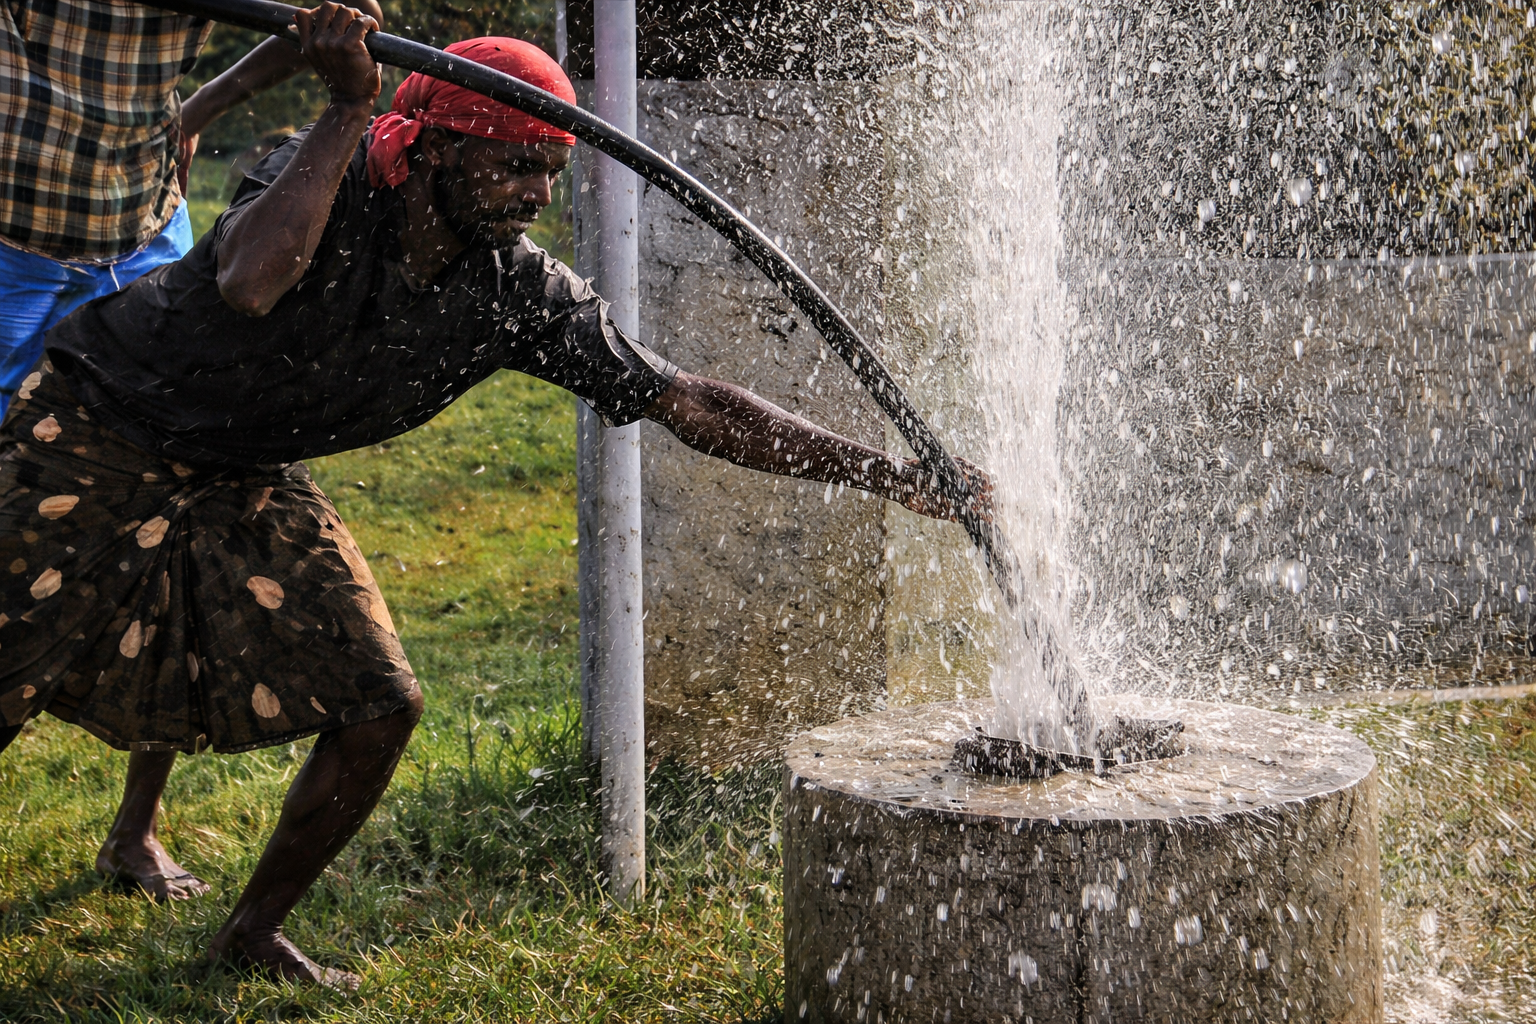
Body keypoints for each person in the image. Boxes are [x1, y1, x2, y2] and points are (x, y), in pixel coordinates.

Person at [0, 5, 992, 987]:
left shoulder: (516, 296)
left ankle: (249, 934)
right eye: (515, 165)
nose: (536, 193)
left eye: (551, 171)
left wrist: (895, 476)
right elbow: (253, 282)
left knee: (380, 705)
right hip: (97, 426)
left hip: (242, 473)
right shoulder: (322, 175)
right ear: (436, 148)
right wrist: (345, 108)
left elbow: (686, 399)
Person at [0, 0, 387, 904]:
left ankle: (136, 829)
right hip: (10, 251)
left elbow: (343, 17)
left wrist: (201, 107)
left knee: (186, 507)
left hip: (143, 239)